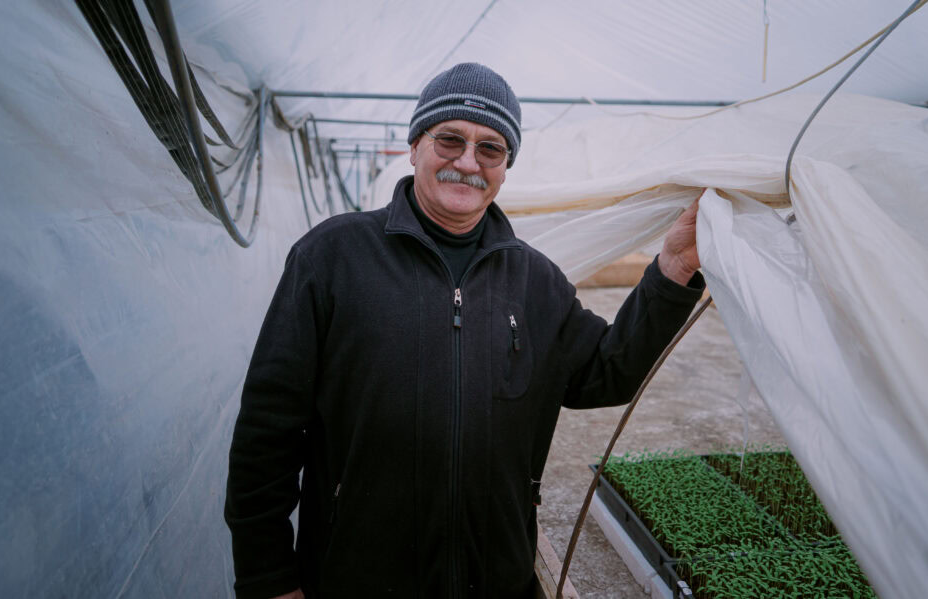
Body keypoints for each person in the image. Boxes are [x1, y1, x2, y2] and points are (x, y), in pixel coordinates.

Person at [225, 62, 704, 599]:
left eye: (490, 148)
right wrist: (267, 577)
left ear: (505, 167)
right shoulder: (331, 258)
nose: (468, 162)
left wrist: (673, 269)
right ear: (414, 146)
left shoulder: (536, 280)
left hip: (495, 580)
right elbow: (268, 430)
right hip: (355, 579)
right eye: (449, 139)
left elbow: (607, 372)